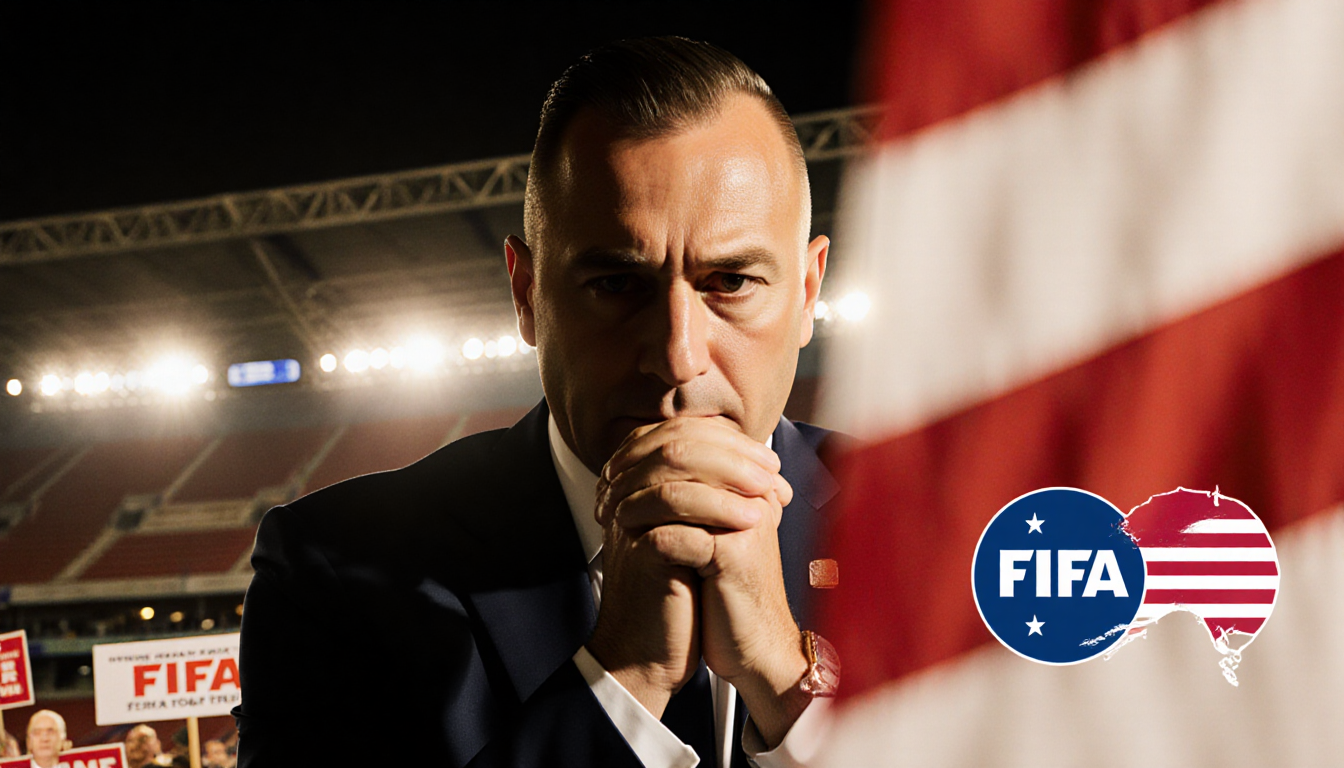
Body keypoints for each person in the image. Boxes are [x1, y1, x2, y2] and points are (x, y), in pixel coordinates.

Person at [234, 36, 840, 767]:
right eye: (616, 284)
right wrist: (622, 678)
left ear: (807, 291)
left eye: (731, 282)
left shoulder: (954, 522)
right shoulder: (334, 572)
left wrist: (790, 683)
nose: (678, 355)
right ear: (527, 294)